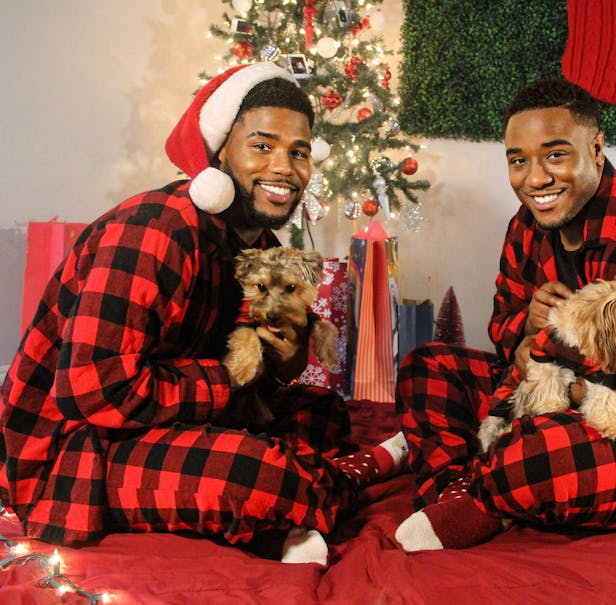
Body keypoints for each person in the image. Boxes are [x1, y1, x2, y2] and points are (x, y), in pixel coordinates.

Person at [0, 62, 406, 565]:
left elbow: (255, 362)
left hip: (162, 418)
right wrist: (227, 381)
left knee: (321, 412)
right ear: (220, 152)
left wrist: (283, 360)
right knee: (255, 473)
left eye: (298, 153)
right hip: (78, 448)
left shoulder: (257, 244)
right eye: (262, 146)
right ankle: (335, 481)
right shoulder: (151, 232)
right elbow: (91, 390)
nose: (284, 167)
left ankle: (273, 508)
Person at [394, 76, 616, 551]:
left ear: (596, 148)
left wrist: (576, 388)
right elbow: (502, 332)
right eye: (518, 161)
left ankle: (481, 489)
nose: (534, 179)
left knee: (541, 454)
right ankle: (467, 493)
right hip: (540, 393)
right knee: (426, 367)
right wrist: (527, 330)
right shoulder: (527, 226)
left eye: (556, 155)